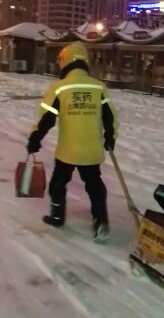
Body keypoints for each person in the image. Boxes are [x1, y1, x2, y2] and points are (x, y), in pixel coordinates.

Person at [26, 43, 119, 240]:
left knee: (58, 185)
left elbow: (46, 118)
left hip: (67, 151)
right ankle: (101, 221)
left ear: (65, 61)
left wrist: (35, 138)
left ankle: (57, 216)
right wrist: (110, 137)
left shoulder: (59, 88)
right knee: (95, 187)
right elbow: (110, 117)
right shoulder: (98, 86)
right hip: (91, 151)